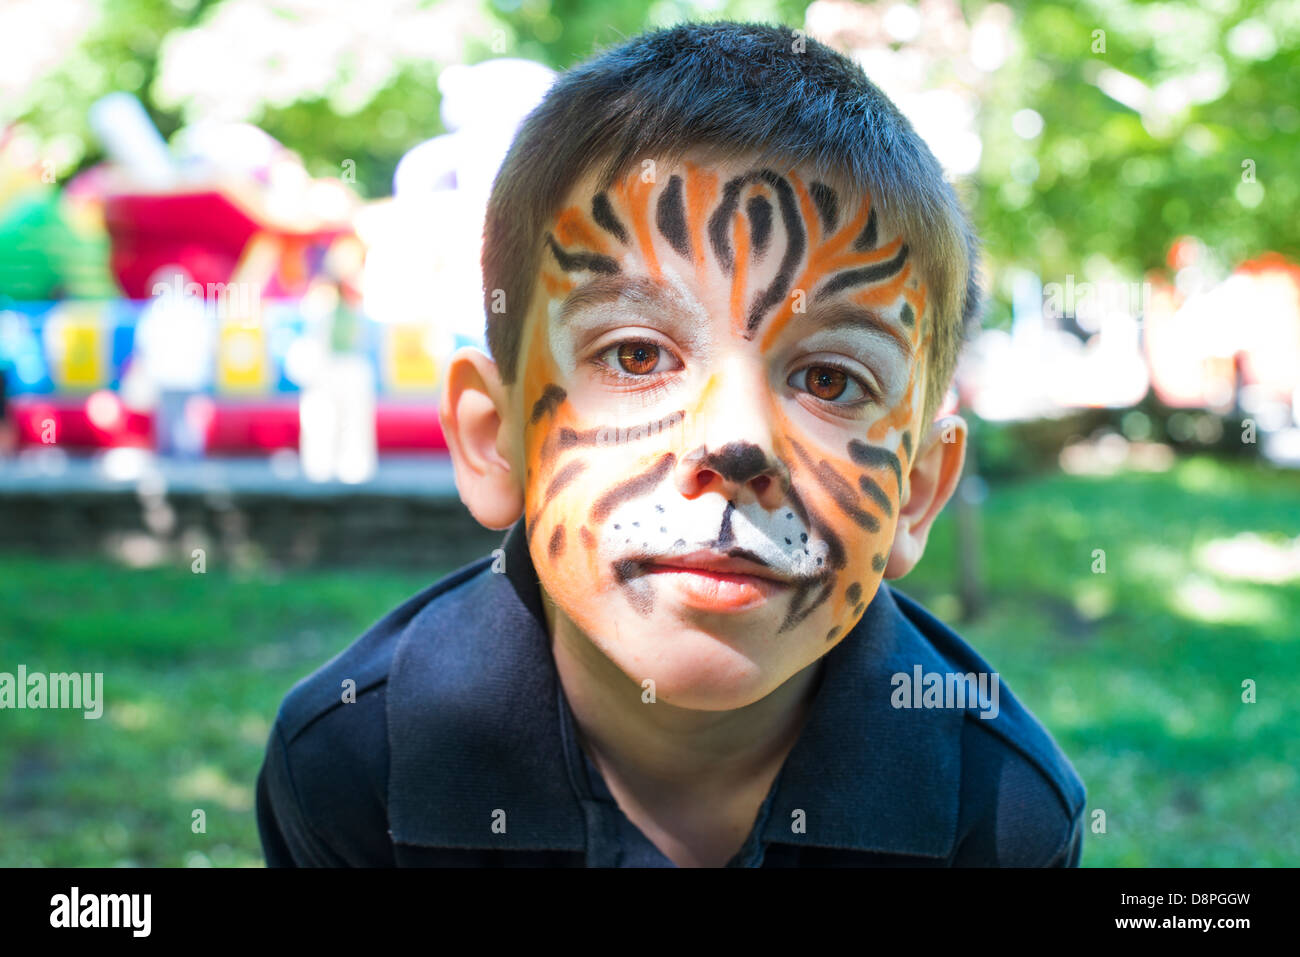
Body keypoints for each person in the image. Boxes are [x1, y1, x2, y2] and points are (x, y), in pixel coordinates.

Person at [256, 21, 1085, 867]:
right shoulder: (353, 765)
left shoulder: (1000, 811)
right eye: (637, 355)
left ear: (914, 494)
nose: (735, 440)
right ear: (494, 440)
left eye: (830, 379)